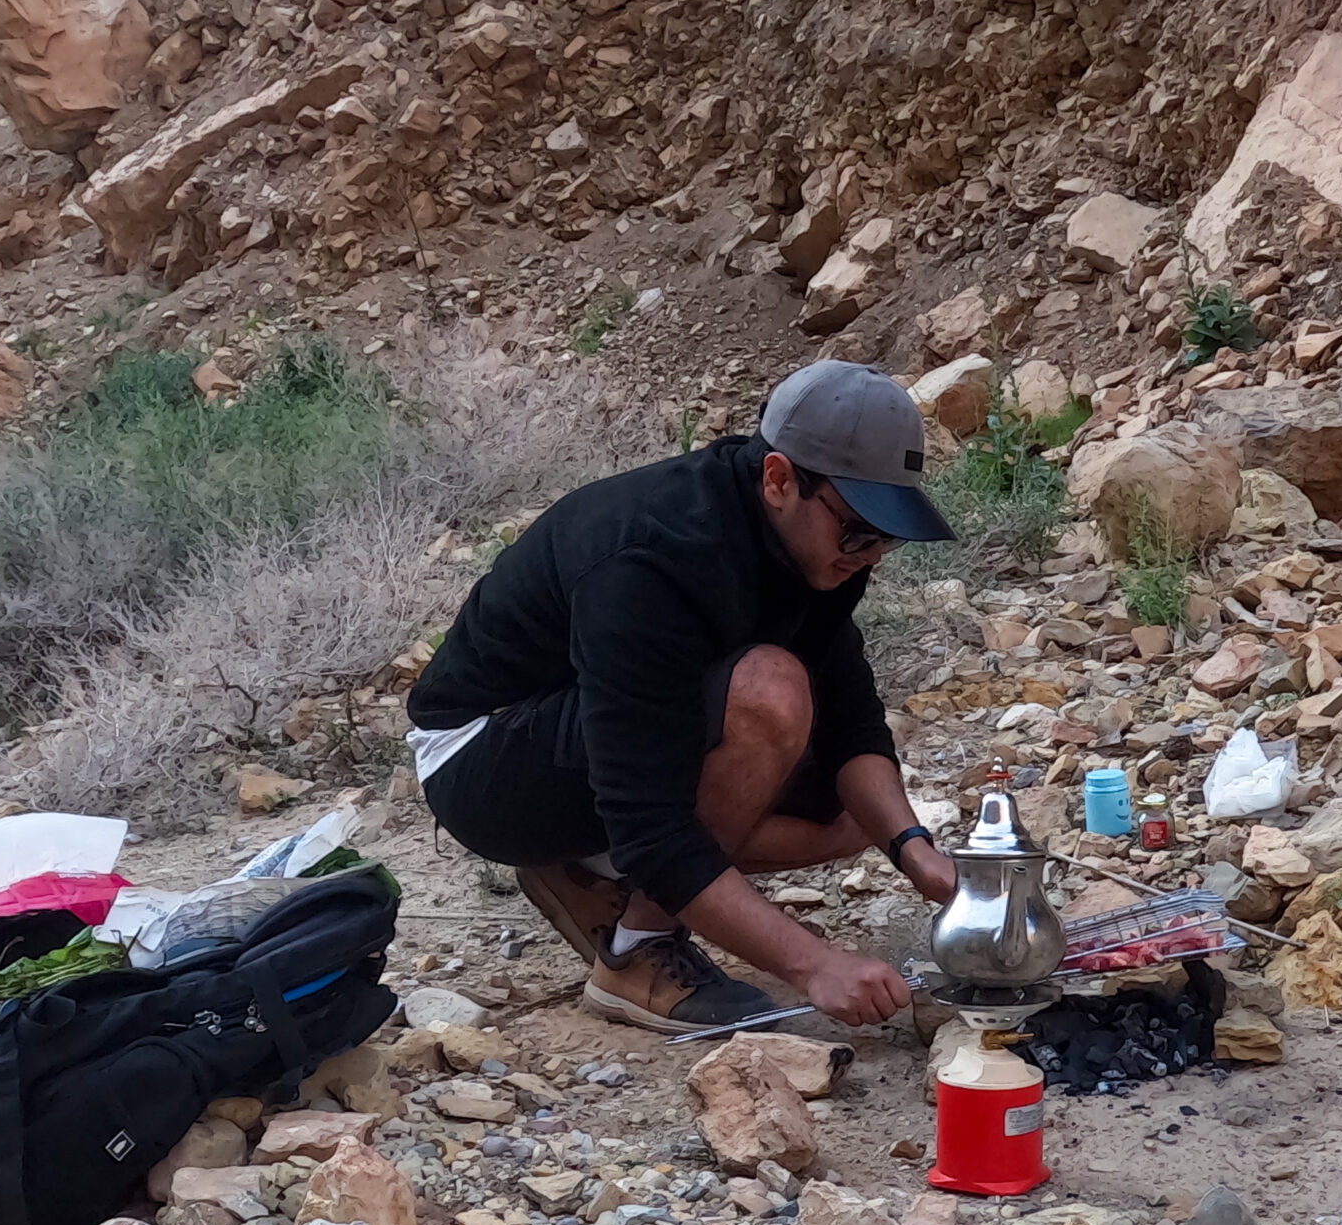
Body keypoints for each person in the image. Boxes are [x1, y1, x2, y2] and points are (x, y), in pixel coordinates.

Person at [406, 360, 966, 1034]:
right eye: (860, 530)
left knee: (857, 818)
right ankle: (635, 952)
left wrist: (915, 851)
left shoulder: (816, 546)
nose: (872, 554)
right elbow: (650, 823)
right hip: (482, 761)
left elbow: (853, 722)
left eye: (888, 535)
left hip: (591, 733)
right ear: (780, 479)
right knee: (769, 691)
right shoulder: (652, 557)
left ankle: (588, 871)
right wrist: (813, 964)